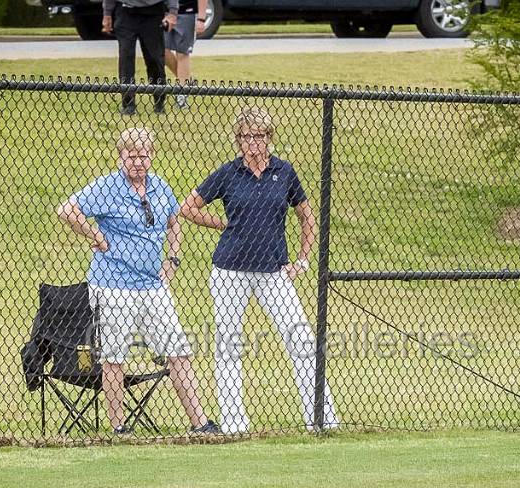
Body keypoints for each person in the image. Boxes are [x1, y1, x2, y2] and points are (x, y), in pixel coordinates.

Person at [180, 106, 339, 434]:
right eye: (246, 137)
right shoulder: (228, 173)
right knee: (228, 345)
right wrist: (221, 224)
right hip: (230, 271)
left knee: (301, 340)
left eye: (259, 136)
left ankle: (321, 417)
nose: (253, 143)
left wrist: (303, 259)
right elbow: (188, 208)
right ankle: (234, 424)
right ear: (238, 140)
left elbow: (307, 216)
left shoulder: (284, 171)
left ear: (269, 137)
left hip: (274, 271)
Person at [57, 127, 218, 435]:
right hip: (113, 285)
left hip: (153, 288)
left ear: (151, 156)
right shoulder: (107, 187)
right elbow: (66, 210)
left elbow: (174, 225)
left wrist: (172, 260)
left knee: (178, 350)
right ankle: (119, 428)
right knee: (114, 356)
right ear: (120, 158)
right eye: (131, 157)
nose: (138, 163)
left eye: (143, 156)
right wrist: (95, 235)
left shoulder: (160, 187)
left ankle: (200, 424)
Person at [102, 0, 178, 115]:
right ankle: (128, 105)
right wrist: (107, 14)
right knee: (126, 57)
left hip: (153, 12)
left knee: (155, 58)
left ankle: (159, 102)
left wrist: (173, 12)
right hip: (125, 12)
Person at [163, 0, 207, 109]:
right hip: (166, 11)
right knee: (161, 51)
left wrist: (201, 19)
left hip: (188, 12)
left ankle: (182, 95)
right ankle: (188, 80)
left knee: (182, 53)